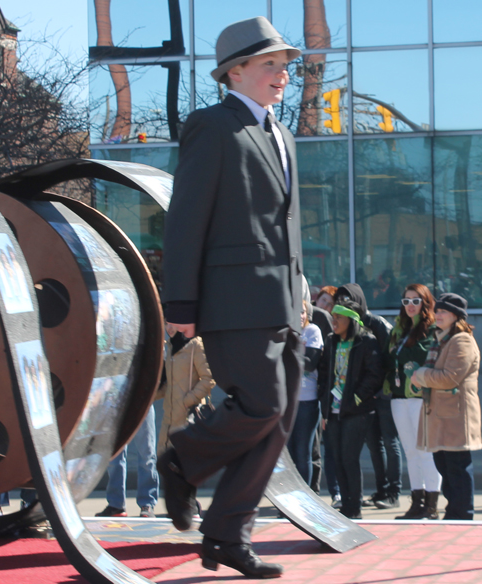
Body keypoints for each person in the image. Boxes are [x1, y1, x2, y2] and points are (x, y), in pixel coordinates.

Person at [159, 16, 304, 579]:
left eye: (285, 65)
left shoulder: (282, 134)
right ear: (235, 71)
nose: (282, 74)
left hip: (283, 302)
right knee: (262, 406)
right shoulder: (212, 126)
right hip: (232, 303)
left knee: (279, 421)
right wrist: (182, 307)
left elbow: (282, 224)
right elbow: (186, 220)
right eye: (270, 64)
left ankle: (225, 535)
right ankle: (182, 462)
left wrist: (299, 287)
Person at [412, 293, 482, 520]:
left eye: (443, 311)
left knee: (457, 470)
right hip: (441, 416)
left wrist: (420, 375)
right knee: (445, 467)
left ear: (456, 316)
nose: (437, 314)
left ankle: (462, 515)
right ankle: (455, 513)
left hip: (456, 417)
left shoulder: (462, 340)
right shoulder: (441, 339)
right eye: (437, 310)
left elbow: (449, 378)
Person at [334, 283, 400, 511]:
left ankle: (394, 492)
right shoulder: (342, 332)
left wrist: (378, 389)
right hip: (363, 399)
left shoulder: (376, 324)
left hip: (382, 393)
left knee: (390, 443)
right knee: (374, 445)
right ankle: (381, 489)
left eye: (346, 298)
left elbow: (387, 359)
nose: (341, 303)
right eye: (338, 299)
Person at [319, 299, 383, 519]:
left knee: (349, 458)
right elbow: (324, 374)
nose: (333, 321)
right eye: (333, 317)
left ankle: (354, 507)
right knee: (336, 457)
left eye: (339, 318)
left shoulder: (367, 341)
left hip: (357, 410)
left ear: (352, 320)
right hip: (333, 410)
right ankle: (345, 505)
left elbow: (374, 375)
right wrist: (325, 407)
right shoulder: (330, 341)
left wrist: (356, 398)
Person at [386, 284, 441, 519]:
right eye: (406, 301)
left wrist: (402, 354)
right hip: (399, 397)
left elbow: (419, 356)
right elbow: (391, 360)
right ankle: (416, 502)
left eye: (415, 301)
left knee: (425, 451)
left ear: (425, 303)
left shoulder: (432, 329)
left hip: (421, 397)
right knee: (410, 451)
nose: (410, 306)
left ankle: (431, 505)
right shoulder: (400, 329)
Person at [156, 322, 215, 455]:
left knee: (186, 464)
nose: (169, 328)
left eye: (172, 324)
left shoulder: (195, 344)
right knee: (165, 462)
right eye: (166, 324)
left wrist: (187, 401)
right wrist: (152, 396)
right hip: (169, 418)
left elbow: (209, 378)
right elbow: (171, 383)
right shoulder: (170, 346)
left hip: (188, 418)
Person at [96, 405, 159, 518]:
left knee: (147, 456)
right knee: (115, 457)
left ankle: (147, 504)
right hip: (119, 402)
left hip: (143, 401)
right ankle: (116, 505)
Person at [309, 285, 340, 508]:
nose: (325, 306)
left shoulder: (327, 325)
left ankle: (332, 491)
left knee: (326, 445)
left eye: (330, 304)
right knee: (310, 445)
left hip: (323, 391)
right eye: (323, 301)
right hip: (307, 391)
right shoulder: (307, 318)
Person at [287, 301, 323, 484]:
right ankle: (290, 502)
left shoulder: (312, 331)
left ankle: (305, 501)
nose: (300, 315)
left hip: (306, 402)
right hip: (287, 402)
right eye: (295, 311)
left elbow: (310, 363)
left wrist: (290, 351)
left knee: (303, 453)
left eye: (302, 311)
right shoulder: (284, 332)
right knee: (289, 456)